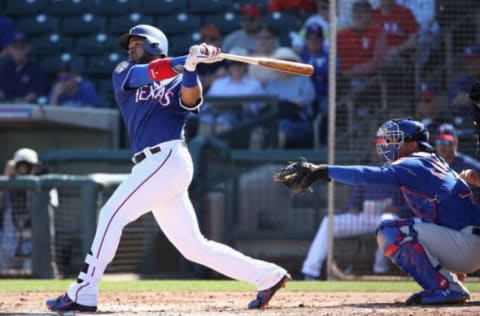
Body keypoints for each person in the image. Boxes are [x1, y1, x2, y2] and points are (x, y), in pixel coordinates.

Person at [45, 24, 290, 313]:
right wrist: (188, 58)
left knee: (111, 214)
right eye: (130, 43)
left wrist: (191, 67)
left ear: (154, 44)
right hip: (156, 166)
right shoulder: (124, 72)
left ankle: (84, 290)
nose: (131, 47)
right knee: (193, 247)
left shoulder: (177, 81)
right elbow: (153, 72)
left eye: (137, 42)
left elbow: (191, 98)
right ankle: (268, 276)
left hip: (167, 158)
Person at [278, 118, 480, 305]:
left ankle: (444, 287)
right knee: (402, 228)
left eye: (394, 140)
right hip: (468, 241)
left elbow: (366, 174)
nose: (387, 145)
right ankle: (446, 283)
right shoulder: (433, 162)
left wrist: (322, 170)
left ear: (411, 145)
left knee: (391, 231)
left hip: (467, 244)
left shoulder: (414, 162)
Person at [301, 139, 406, 280]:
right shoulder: (369, 169)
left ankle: (380, 270)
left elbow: (412, 202)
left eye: (384, 146)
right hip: (366, 217)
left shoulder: (400, 169)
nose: (380, 150)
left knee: (386, 221)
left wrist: (398, 208)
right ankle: (310, 271)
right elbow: (355, 200)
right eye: (378, 146)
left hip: (390, 218)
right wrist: (353, 208)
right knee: (328, 221)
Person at [0, 148, 51, 270]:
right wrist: (6, 178)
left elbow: (50, 209)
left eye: (28, 166)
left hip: (33, 248)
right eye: (20, 165)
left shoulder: (44, 185)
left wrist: (31, 188)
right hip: (6, 246)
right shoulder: (6, 184)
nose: (24, 169)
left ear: (36, 167)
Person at [264, 47, 315, 148]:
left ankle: (276, 158)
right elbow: (265, 104)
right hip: (274, 120)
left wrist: (293, 103)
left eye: (287, 63)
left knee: (284, 125)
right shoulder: (271, 84)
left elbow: (308, 98)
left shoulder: (303, 81)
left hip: (299, 121)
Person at [0, 32, 47, 103]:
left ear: (28, 49)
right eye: (15, 47)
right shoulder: (4, 68)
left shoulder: (37, 69)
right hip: (5, 106)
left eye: (22, 47)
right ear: (10, 49)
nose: (18, 50)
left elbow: (34, 93)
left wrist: (21, 102)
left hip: (27, 107)